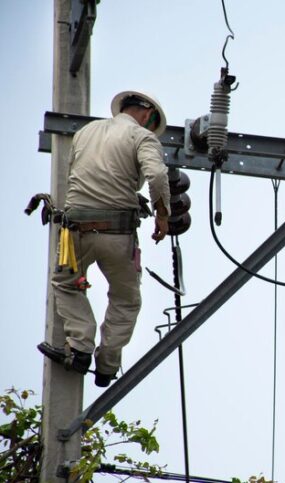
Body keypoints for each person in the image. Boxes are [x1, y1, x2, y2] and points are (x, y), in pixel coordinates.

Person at [38, 90, 171, 387]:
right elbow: (157, 176)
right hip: (117, 233)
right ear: (147, 113)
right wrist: (163, 215)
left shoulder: (86, 132)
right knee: (126, 299)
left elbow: (84, 175)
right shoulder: (142, 137)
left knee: (66, 284)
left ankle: (81, 347)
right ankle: (108, 364)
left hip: (75, 233)